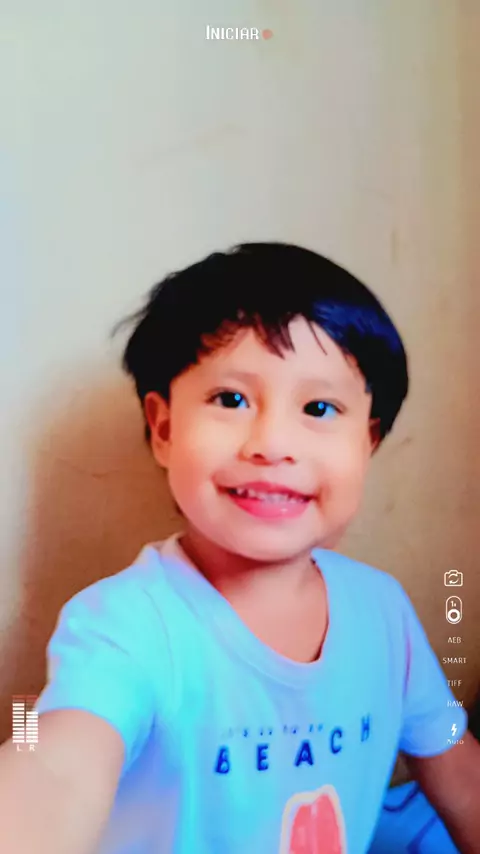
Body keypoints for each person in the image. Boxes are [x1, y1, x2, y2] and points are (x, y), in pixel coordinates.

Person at [0, 242, 478, 854]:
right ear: (164, 428)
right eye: (231, 399)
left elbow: (455, 762)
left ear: (369, 440)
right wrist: (27, 744)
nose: (272, 443)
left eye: (319, 407)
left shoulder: (383, 609)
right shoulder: (120, 623)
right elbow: (49, 758)